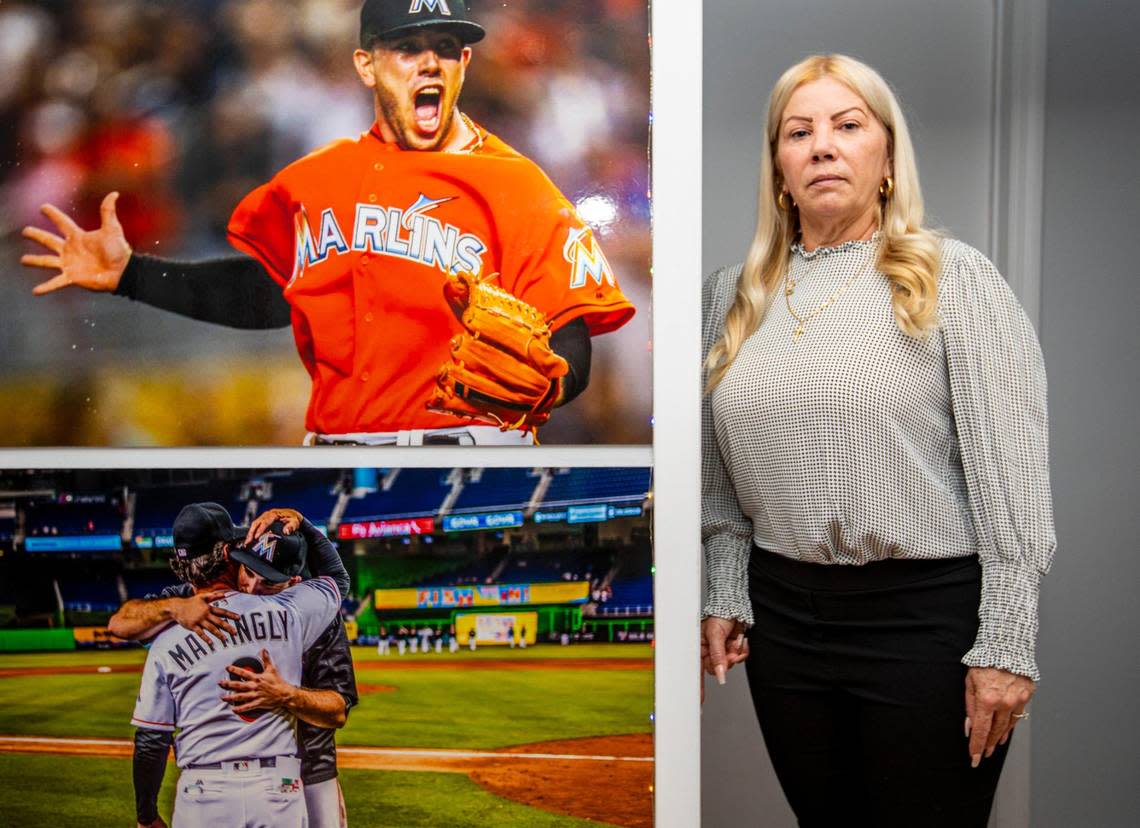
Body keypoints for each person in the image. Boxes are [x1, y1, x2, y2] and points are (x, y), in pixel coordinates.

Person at [19, 0, 635, 446]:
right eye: (408, 47)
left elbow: (569, 340)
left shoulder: (520, 185)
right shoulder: (318, 179)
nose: (430, 64)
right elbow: (267, 293)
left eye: (446, 48)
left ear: (465, 63)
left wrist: (550, 385)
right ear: (367, 65)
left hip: (473, 449)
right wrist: (132, 274)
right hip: (341, 455)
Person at [700, 54, 1054, 826]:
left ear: (886, 157)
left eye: (848, 125)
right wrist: (726, 588)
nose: (823, 146)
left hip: (925, 620)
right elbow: (717, 475)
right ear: (779, 168)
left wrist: (1007, 644)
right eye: (800, 132)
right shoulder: (730, 296)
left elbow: (1014, 485)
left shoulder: (952, 280)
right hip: (784, 619)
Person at [112, 505, 357, 828]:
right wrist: (173, 608)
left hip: (296, 771)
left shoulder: (167, 635)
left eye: (267, 579)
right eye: (250, 572)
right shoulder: (291, 612)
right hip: (276, 787)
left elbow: (151, 738)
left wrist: (288, 696)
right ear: (232, 555)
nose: (254, 586)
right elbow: (337, 581)